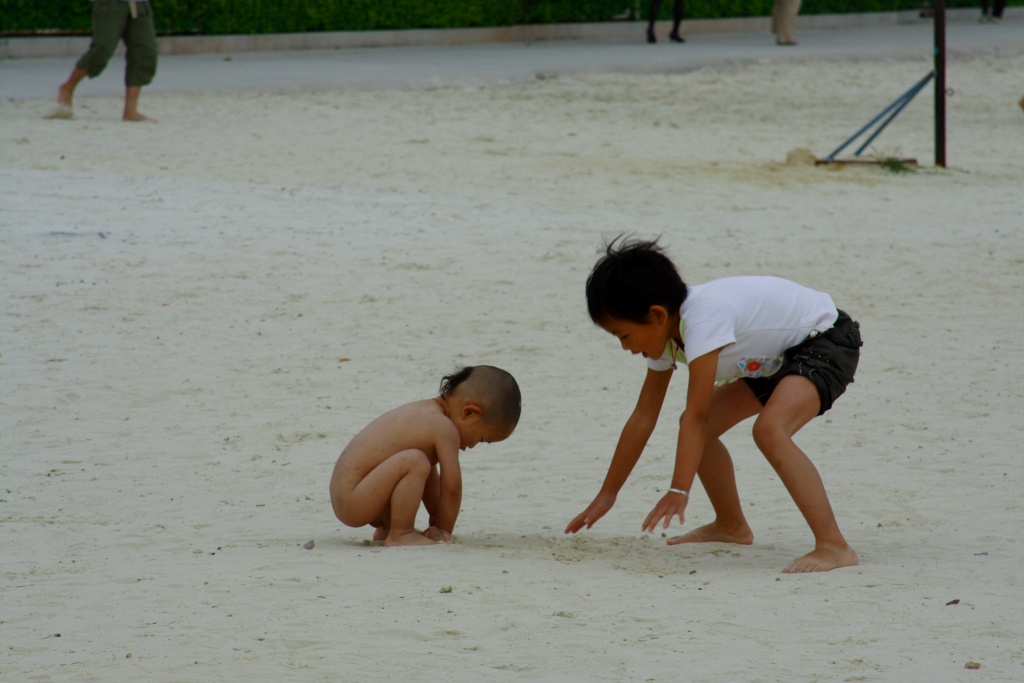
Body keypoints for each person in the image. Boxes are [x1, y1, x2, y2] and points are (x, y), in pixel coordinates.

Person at [565, 237, 862, 573]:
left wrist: (679, 489)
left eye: (623, 335)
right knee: (698, 433)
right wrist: (608, 494)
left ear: (657, 315)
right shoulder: (666, 336)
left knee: (769, 430)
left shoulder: (703, 320)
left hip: (825, 341)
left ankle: (834, 545)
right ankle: (731, 526)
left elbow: (698, 413)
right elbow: (643, 417)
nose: (624, 347)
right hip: (770, 358)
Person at [330, 365, 521, 546]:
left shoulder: (425, 414)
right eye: (481, 439)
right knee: (416, 461)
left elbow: (431, 481)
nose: (471, 446)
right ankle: (400, 534)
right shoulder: (444, 429)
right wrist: (444, 530)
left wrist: (435, 520)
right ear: (469, 412)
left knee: (420, 462)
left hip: (349, 495)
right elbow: (451, 487)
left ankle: (388, 529)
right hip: (354, 500)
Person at [46, 0, 158, 121]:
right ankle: (67, 88)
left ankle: (130, 110)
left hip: (139, 3)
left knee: (144, 52)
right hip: (109, 4)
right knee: (102, 49)